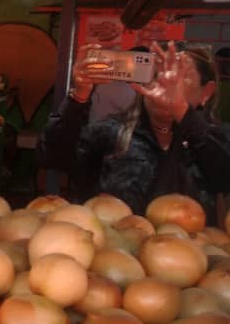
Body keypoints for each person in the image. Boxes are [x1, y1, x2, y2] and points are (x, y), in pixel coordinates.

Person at [39, 42, 230, 223]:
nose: (164, 82)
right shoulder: (112, 132)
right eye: (156, 74)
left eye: (178, 77)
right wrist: (79, 95)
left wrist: (181, 111)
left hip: (191, 252)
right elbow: (52, 156)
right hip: (115, 249)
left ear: (206, 92)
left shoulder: (214, 141)